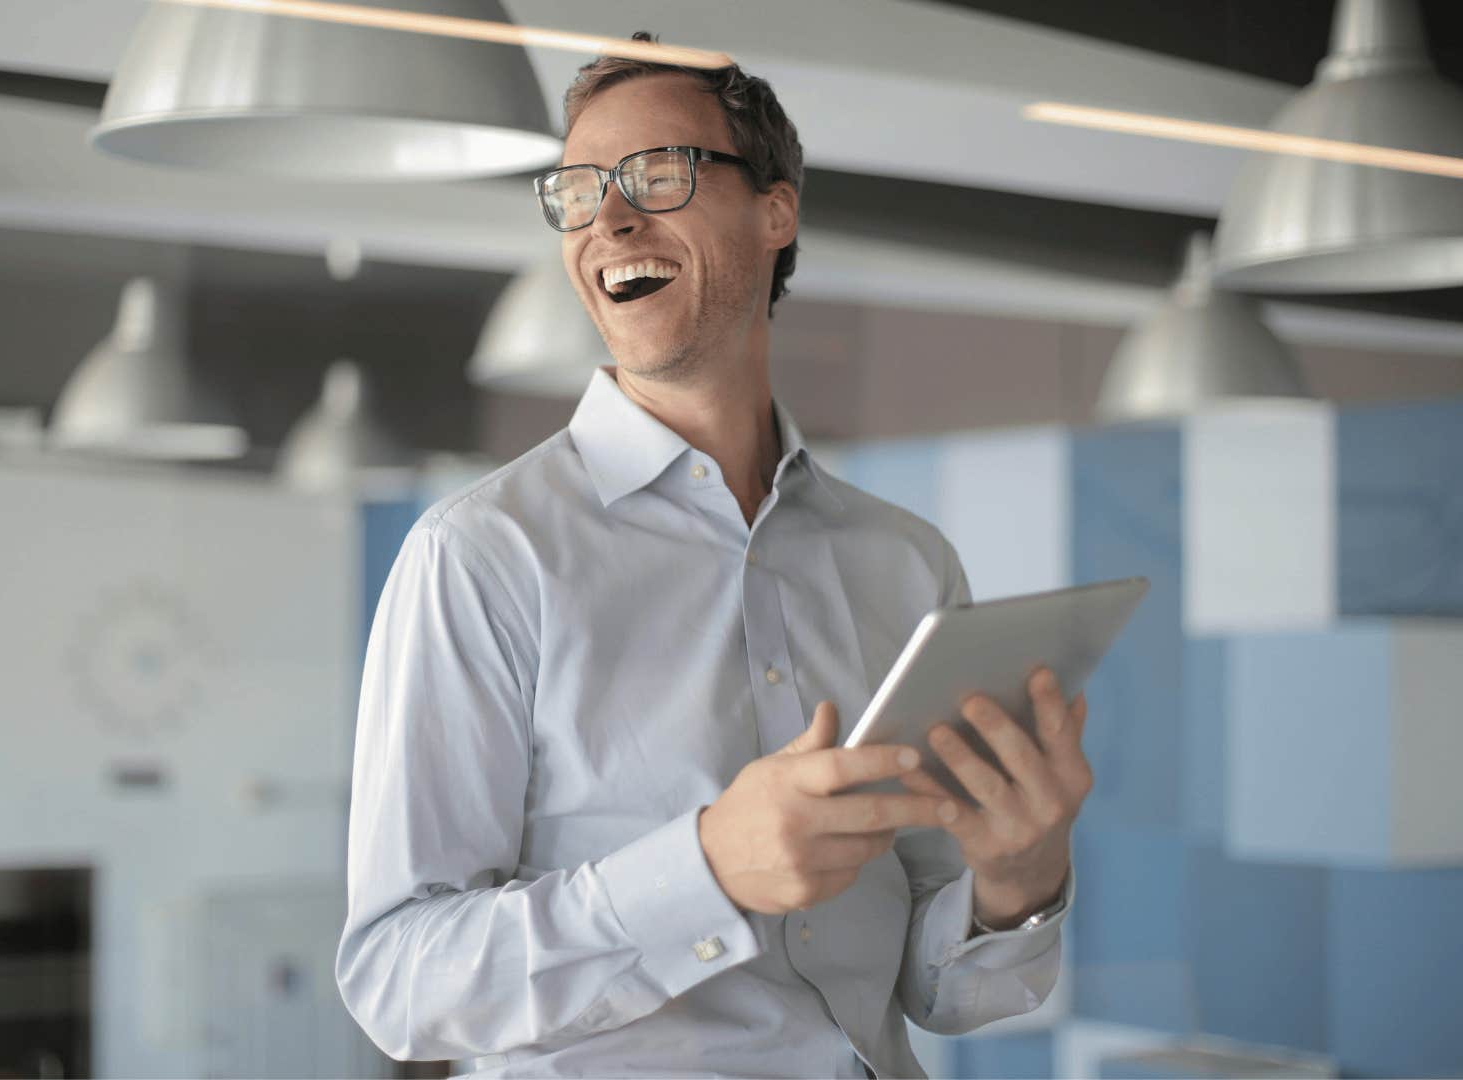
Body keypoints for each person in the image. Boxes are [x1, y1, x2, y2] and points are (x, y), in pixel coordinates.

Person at [336, 34, 1092, 1078]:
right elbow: (400, 980)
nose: (609, 217)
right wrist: (703, 871)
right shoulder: (480, 557)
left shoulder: (906, 565)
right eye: (579, 188)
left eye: (658, 172)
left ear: (776, 211)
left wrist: (1018, 875)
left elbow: (939, 994)